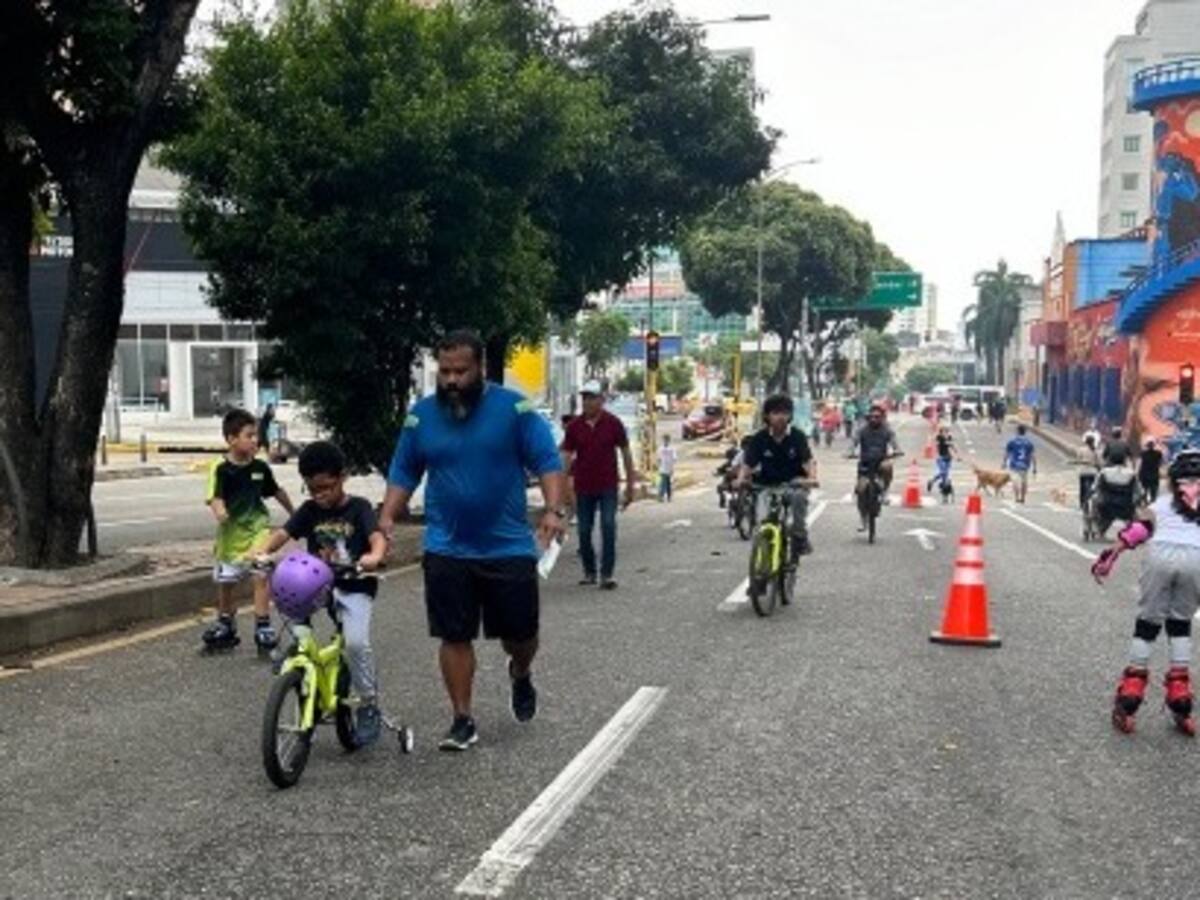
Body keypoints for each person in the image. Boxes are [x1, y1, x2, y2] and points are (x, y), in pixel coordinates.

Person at [378, 331, 564, 752]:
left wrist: (553, 510)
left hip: (508, 547)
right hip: (447, 546)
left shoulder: (513, 409)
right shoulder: (421, 417)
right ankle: (462, 718)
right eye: (444, 371)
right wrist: (387, 517)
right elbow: (404, 472)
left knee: (521, 634)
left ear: (480, 367)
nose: (451, 380)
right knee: (453, 634)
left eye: (461, 371)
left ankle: (520, 671)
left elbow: (547, 462)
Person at [254, 441, 386, 746]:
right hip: (319, 583)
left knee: (354, 644)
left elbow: (376, 536)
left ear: (343, 477)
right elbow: (285, 533)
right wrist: (263, 552)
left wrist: (374, 556)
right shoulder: (310, 510)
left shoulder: (359, 508)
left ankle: (368, 703)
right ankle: (297, 654)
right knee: (287, 591)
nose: (320, 495)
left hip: (355, 584)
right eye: (313, 489)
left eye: (326, 487)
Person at [1092, 449, 1200, 735]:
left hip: (1160, 556)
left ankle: (1129, 698)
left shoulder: (1162, 503)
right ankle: (1180, 699)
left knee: (1147, 625)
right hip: (1196, 559)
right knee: (1180, 626)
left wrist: (1112, 554)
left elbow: (1139, 529)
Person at [202, 408, 294, 652]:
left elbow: (276, 491)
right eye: (249, 435)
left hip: (258, 531)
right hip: (230, 536)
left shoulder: (260, 468)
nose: (255, 440)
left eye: (256, 436)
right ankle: (225, 623)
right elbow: (215, 496)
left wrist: (294, 513)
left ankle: (263, 625)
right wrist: (219, 511)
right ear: (232, 439)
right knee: (226, 582)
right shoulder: (220, 468)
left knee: (260, 574)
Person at [560, 381, 637, 590]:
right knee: (584, 530)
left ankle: (607, 574)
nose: (587, 402)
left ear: (601, 400)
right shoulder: (575, 426)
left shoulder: (613, 423)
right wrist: (561, 486)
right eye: (584, 398)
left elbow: (626, 454)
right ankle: (590, 571)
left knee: (608, 525)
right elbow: (567, 456)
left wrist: (631, 485)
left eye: (591, 398)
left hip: (608, 485)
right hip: (583, 486)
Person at [736, 394, 817, 567]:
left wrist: (811, 478)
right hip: (765, 485)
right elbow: (748, 464)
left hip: (793, 484)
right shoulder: (759, 438)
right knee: (763, 523)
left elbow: (808, 461)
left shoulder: (798, 437)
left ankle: (800, 538)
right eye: (775, 412)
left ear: (790, 416)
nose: (780, 417)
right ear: (767, 416)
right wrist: (741, 479)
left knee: (798, 500)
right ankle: (759, 576)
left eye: (785, 412)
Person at [851, 403, 901, 524]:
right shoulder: (862, 430)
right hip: (865, 463)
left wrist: (897, 450)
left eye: (877, 417)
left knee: (887, 466)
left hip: (880, 461)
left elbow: (894, 442)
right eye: (871, 416)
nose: (874, 419)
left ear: (882, 418)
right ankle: (863, 517)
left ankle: (885, 492)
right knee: (861, 490)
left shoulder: (887, 430)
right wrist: (850, 452)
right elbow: (853, 442)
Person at [1092, 447, 1139, 537]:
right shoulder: (1132, 474)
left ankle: (1100, 529)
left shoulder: (1104, 472)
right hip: (1126, 505)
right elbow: (1139, 490)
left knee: (1096, 501)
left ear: (1110, 460)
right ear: (1124, 461)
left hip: (1106, 504)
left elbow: (1095, 486)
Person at [1003, 423, 1037, 504]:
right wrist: (1035, 467)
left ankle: (1016, 497)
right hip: (1025, 464)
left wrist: (1004, 462)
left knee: (1015, 481)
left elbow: (1007, 453)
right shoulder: (1029, 443)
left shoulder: (1012, 442)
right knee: (1024, 481)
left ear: (1017, 431)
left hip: (1014, 464)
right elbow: (1033, 456)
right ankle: (1023, 497)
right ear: (1025, 432)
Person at [1072, 432, 1102, 510]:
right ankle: (1090, 502)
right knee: (1093, 488)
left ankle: (1082, 504)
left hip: (1083, 472)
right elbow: (1099, 462)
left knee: (1082, 488)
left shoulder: (1081, 450)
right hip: (1093, 472)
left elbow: (1078, 459)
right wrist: (1099, 469)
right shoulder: (1096, 451)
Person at [926, 424, 959, 494]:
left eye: (947, 431)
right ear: (941, 432)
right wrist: (937, 454)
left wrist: (957, 455)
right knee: (943, 472)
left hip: (948, 457)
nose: (946, 433)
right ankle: (933, 481)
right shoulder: (939, 437)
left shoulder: (949, 437)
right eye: (944, 431)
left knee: (946, 473)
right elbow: (937, 446)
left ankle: (942, 486)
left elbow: (952, 446)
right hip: (941, 457)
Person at [657, 434, 677, 502]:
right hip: (662, 468)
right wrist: (658, 466)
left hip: (669, 468)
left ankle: (669, 496)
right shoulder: (660, 449)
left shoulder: (672, 449)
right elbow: (659, 459)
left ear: (669, 441)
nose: (665, 441)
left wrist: (672, 466)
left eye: (666, 440)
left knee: (668, 483)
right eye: (664, 440)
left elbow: (674, 458)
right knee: (663, 482)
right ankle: (661, 496)